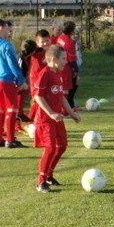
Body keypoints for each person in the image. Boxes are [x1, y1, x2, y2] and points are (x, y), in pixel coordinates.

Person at [31, 45, 81, 193]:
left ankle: (49, 175)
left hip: (56, 119)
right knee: (51, 147)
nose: (66, 61)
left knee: (62, 145)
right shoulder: (44, 74)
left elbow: (61, 98)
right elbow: (37, 96)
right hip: (45, 120)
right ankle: (41, 182)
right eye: (63, 58)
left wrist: (72, 113)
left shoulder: (58, 74)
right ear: (54, 59)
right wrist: (51, 113)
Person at [0, 19, 28, 148]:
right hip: (5, 81)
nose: (8, 30)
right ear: (0, 28)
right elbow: (13, 64)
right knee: (12, 110)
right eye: (6, 28)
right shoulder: (6, 45)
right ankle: (10, 140)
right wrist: (21, 80)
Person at [53, 21, 80, 108]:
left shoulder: (61, 37)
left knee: (72, 83)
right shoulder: (69, 42)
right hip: (66, 67)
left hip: (60, 65)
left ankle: (69, 104)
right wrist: (76, 70)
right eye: (74, 28)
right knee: (66, 89)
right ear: (72, 32)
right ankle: (65, 108)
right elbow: (72, 60)